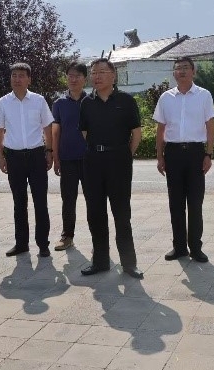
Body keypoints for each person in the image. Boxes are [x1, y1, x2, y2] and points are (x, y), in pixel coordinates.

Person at [79, 58, 144, 279]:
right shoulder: (86, 103)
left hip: (119, 161)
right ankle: (100, 261)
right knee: (95, 213)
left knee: (122, 213)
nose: (96, 77)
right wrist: (99, 150)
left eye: (101, 72)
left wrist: (123, 154)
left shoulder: (126, 100)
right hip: (93, 161)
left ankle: (129, 264)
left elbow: (136, 134)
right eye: (93, 73)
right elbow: (85, 133)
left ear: (113, 75)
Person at [153, 56, 214, 263]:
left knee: (195, 202)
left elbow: (210, 126)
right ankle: (179, 247)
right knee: (176, 203)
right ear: (174, 73)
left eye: (185, 67)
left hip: (196, 153)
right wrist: (160, 156)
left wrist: (208, 154)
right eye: (178, 68)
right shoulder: (166, 98)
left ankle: (196, 248)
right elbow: (160, 129)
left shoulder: (204, 95)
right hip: (173, 154)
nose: (181, 71)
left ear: (193, 71)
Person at [0, 62, 54, 257]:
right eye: (14, 76)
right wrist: (1, 156)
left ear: (29, 79)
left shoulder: (39, 100)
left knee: (40, 202)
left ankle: (43, 244)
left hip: (36, 156)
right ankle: (21, 244)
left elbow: (47, 128)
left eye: (21, 76)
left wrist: (49, 151)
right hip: (14, 157)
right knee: (19, 202)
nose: (17, 79)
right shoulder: (3, 102)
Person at [51, 62, 88, 251]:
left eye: (77, 76)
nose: (73, 79)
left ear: (85, 79)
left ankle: (98, 239)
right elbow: (55, 132)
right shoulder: (59, 104)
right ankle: (67, 236)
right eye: (70, 76)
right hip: (67, 159)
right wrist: (55, 157)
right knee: (68, 199)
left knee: (94, 199)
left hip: (90, 160)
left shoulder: (92, 101)